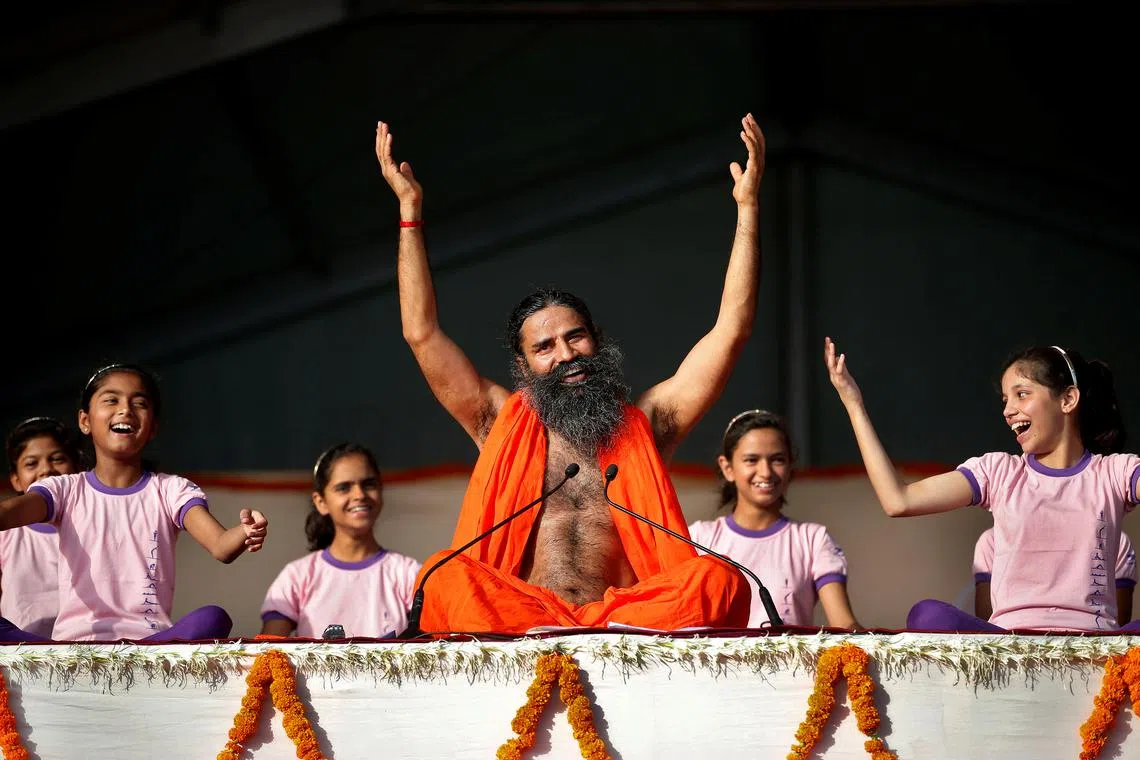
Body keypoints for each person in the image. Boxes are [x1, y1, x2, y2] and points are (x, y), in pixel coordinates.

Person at [374, 114, 766, 633]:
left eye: (575, 337)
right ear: (524, 365)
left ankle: (619, 631)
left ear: (597, 342)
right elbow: (421, 334)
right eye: (545, 347)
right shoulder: (496, 420)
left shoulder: (645, 424)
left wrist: (748, 209)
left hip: (620, 621)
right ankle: (542, 630)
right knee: (444, 577)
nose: (565, 354)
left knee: (717, 580)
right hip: (524, 619)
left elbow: (731, 332)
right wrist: (410, 212)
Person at [824, 338, 1140, 632]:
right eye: (1005, 399)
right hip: (1012, 647)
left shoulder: (1116, 472)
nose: (1008, 410)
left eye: (1022, 394)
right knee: (927, 615)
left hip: (1092, 646)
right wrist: (854, 405)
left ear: (1068, 399)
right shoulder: (998, 471)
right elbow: (899, 500)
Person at [0, 364, 268, 641]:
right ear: (85, 421)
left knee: (213, 618)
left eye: (139, 403)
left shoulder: (170, 490)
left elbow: (221, 546)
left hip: (147, 645)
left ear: (153, 427)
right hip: (72, 647)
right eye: (111, 400)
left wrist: (245, 532)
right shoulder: (64, 489)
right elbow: (8, 514)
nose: (125, 410)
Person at [689, 409, 860, 629]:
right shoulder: (699, 538)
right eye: (751, 460)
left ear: (790, 466)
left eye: (777, 460)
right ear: (727, 467)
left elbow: (844, 624)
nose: (766, 472)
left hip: (794, 665)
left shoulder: (813, 539)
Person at [260, 443, 421, 638]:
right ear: (321, 502)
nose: (359, 495)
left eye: (368, 484)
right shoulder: (297, 576)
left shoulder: (408, 573)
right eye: (344, 488)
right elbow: (269, 655)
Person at [0, 417, 83, 637]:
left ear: (77, 470)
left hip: (82, 650)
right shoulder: (7, 534)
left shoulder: (92, 526)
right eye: (31, 463)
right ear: (16, 480)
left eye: (57, 459)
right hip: (21, 654)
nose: (46, 470)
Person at [974, 526, 1136, 625]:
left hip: (1092, 654)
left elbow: (1119, 621)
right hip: (1014, 655)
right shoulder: (991, 540)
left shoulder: (1117, 540)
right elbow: (986, 622)